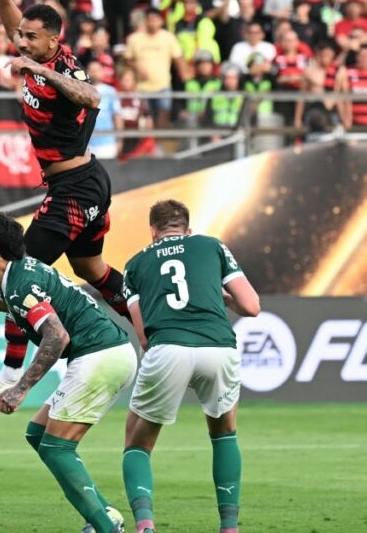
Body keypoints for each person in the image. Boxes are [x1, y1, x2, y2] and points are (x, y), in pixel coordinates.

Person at [0, 0, 131, 410]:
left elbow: (91, 95)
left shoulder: (64, 69)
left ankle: (7, 374)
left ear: (54, 42)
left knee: (19, 271)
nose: (21, 42)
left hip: (75, 187)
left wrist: (42, 73)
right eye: (22, 35)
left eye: (30, 37)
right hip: (81, 183)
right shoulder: (31, 50)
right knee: (90, 271)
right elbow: (11, 23)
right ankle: (147, 320)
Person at [0, 212, 134, 533]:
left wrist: (19, 388)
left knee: (57, 448)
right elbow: (3, 301)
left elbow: (56, 336)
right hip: (105, 353)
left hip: (99, 356)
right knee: (38, 434)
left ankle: (106, 527)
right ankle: (106, 513)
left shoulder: (21, 282)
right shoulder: (16, 277)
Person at [120, 200, 261, 533]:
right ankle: (229, 527)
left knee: (137, 444)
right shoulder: (211, 246)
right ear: (188, 228)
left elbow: (143, 336)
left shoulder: (136, 264)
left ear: (153, 231)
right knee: (224, 434)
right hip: (218, 346)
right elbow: (251, 306)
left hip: (168, 347)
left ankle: (144, 525)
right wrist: (222, 298)